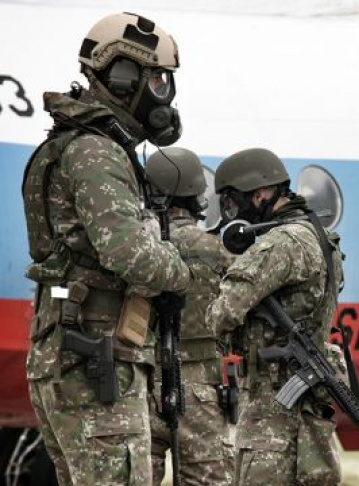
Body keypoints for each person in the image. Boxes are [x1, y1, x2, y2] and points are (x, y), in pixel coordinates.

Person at [21, 12, 189, 485]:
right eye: (155, 79)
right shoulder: (96, 151)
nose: (162, 94)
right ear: (122, 77)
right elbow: (127, 253)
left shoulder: (74, 143)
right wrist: (181, 271)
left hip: (72, 352)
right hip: (96, 360)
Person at [207, 148, 346, 485]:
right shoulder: (319, 238)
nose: (232, 214)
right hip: (305, 408)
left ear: (260, 194)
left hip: (273, 407)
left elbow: (221, 313)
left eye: (233, 203)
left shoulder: (279, 244)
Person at [144, 147, 236, 485]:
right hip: (200, 387)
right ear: (197, 194)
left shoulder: (136, 249)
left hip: (140, 382)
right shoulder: (217, 250)